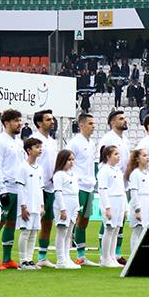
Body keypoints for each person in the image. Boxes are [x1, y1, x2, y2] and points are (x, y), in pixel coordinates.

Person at [0, 109, 26, 270]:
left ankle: (7, 258)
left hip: (18, 188)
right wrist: (2, 189)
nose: (19, 124)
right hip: (6, 188)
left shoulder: (19, 142)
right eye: (16, 121)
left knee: (12, 223)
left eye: (20, 120)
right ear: (6, 123)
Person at [98, 110, 132, 263]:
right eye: (121, 119)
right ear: (112, 122)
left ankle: (115, 255)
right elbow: (102, 161)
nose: (124, 121)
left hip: (122, 184)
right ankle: (104, 256)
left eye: (124, 118)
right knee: (108, 225)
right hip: (111, 186)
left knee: (118, 225)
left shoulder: (126, 140)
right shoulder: (107, 139)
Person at [66, 113, 98, 266]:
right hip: (78, 187)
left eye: (94, 123)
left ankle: (81, 255)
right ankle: (65, 254)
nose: (93, 126)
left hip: (89, 186)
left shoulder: (92, 143)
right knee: (73, 220)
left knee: (84, 220)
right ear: (81, 125)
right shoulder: (74, 143)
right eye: (90, 123)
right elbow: (66, 163)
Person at [29, 110, 58, 268]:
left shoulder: (52, 141)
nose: (52, 122)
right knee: (32, 223)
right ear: (39, 123)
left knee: (47, 222)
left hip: (50, 187)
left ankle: (42, 256)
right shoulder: (33, 140)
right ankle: (26, 257)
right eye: (48, 119)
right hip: (36, 187)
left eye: (52, 119)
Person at [15, 138, 44, 270]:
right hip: (27, 205)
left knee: (33, 233)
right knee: (26, 232)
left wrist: (42, 205)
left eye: (40, 147)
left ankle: (30, 259)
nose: (40, 149)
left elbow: (41, 188)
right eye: (37, 147)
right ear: (28, 150)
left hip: (36, 205)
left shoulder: (40, 168)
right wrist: (23, 206)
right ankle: (23, 261)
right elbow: (20, 188)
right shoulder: (23, 167)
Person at [97, 146, 127, 268]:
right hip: (111, 201)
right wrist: (107, 207)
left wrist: (125, 207)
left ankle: (112, 257)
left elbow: (122, 190)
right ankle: (105, 258)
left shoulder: (118, 171)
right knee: (109, 229)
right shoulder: (104, 170)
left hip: (119, 201)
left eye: (118, 154)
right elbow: (102, 190)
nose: (118, 156)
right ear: (108, 156)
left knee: (116, 230)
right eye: (115, 154)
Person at [52, 149, 81, 269]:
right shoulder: (59, 175)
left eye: (73, 159)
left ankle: (67, 257)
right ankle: (61, 260)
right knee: (62, 231)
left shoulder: (73, 175)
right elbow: (58, 192)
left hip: (73, 204)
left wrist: (77, 207)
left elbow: (76, 192)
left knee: (69, 233)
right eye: (69, 159)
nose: (71, 162)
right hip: (64, 203)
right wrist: (62, 209)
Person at [127, 149, 149, 251]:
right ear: (137, 159)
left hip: (146, 204)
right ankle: (133, 254)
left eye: (147, 155)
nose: (147, 158)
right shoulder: (135, 174)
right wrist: (137, 209)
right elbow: (134, 193)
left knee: (144, 231)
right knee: (137, 230)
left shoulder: (147, 174)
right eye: (144, 156)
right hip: (139, 205)